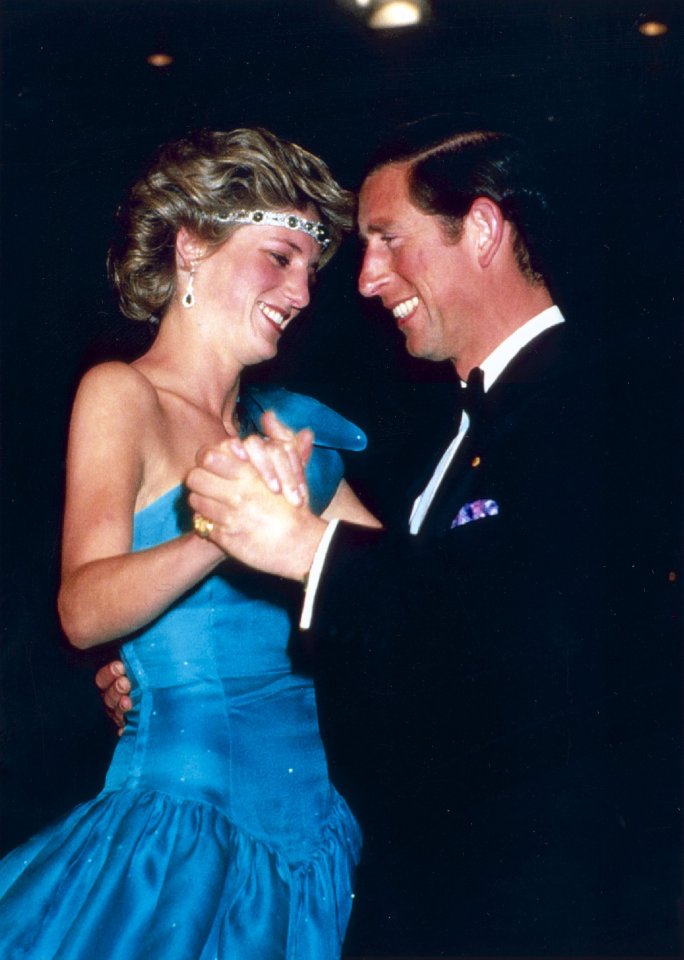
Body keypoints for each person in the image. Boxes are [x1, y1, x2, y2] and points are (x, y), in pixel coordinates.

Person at [173, 122, 680, 954]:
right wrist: (178, 676)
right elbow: (406, 639)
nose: (366, 280)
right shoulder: (449, 428)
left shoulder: (598, 400)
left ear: (481, 230)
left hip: (543, 903)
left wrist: (309, 551)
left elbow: (524, 636)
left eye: (387, 240)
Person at [0, 127, 381, 959]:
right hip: (178, 845)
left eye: (311, 270)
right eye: (281, 256)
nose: (303, 291)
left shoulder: (292, 434)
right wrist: (225, 531)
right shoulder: (122, 394)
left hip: (313, 850)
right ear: (191, 247)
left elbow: (413, 599)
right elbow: (83, 608)